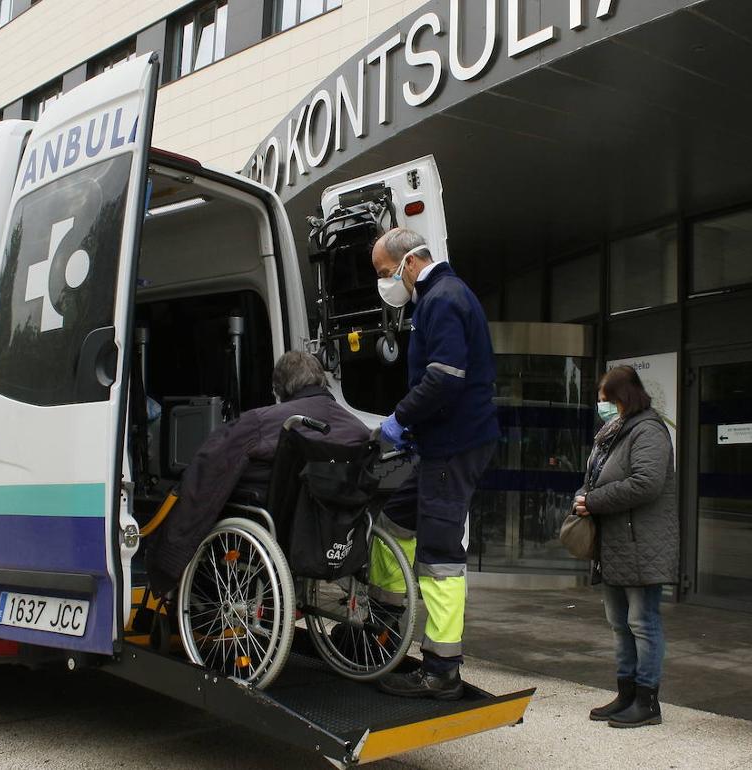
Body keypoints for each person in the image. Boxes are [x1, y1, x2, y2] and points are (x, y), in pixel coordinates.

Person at [368, 227, 499, 700]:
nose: (385, 283)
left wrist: (399, 420)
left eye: (385, 272)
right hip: (443, 444)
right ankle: (383, 628)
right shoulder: (441, 296)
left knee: (440, 556)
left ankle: (442, 671)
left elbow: (444, 378)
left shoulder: (442, 298)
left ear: (408, 263)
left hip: (453, 447)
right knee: (393, 522)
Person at [148, 351, 370, 594]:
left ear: (279, 388)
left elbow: (211, 465)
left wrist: (172, 552)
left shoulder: (262, 421)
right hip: (329, 527)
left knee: (209, 482)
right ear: (321, 380)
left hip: (276, 520)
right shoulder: (358, 429)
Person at [575, 365, 677, 728]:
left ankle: (647, 702)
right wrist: (583, 496)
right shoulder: (616, 431)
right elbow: (598, 477)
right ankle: (626, 693)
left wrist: (594, 501)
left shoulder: (648, 430)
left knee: (642, 622)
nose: (601, 405)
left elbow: (647, 482)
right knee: (619, 623)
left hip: (641, 544)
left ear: (624, 397)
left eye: (606, 399)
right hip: (616, 543)